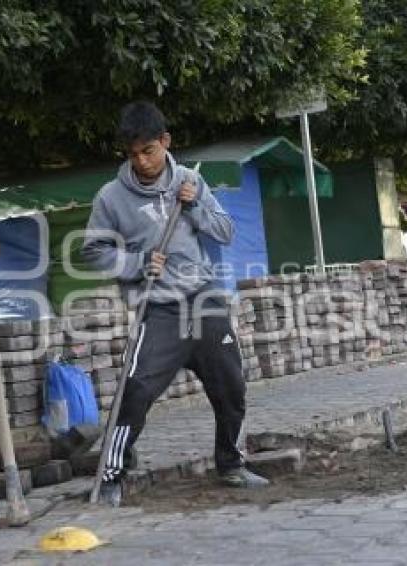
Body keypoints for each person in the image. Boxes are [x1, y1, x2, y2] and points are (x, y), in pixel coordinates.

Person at [82, 101, 269, 505]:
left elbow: (225, 231)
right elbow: (93, 251)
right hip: (159, 309)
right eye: (133, 154)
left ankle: (232, 464)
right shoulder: (111, 197)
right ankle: (112, 474)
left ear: (165, 142)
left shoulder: (190, 180)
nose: (142, 161)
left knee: (231, 385)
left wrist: (197, 206)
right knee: (135, 391)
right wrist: (137, 262)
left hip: (204, 300)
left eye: (148, 150)